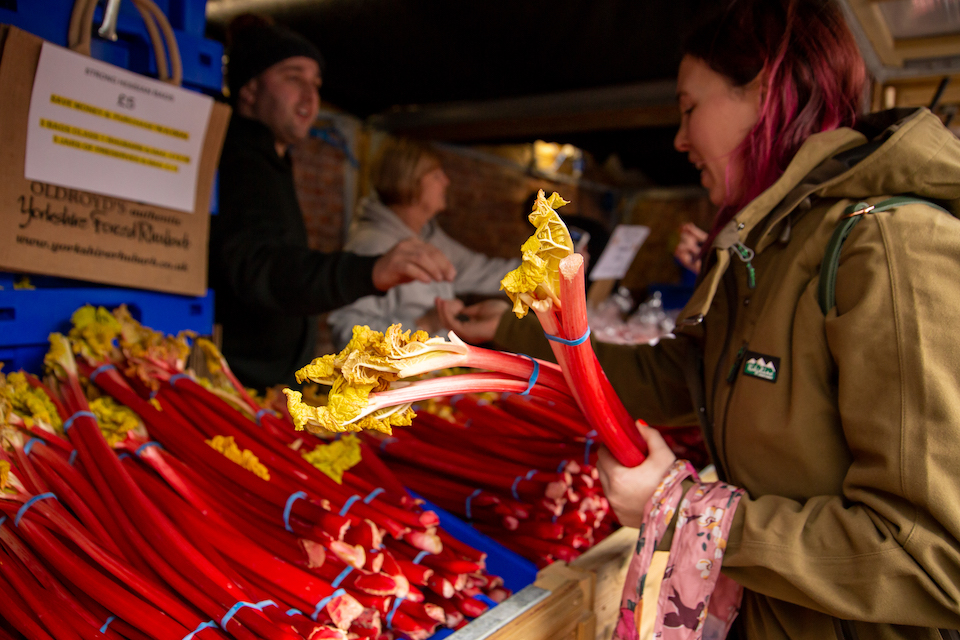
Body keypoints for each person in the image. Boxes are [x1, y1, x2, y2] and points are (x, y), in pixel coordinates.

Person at [440, 0, 960, 637]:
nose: (680, 139)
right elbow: (682, 374)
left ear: (766, 88)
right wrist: (515, 331)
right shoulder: (767, 249)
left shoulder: (888, 246)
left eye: (690, 108)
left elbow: (930, 557)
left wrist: (686, 513)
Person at [209, 17, 455, 391]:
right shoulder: (238, 159)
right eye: (294, 78)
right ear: (249, 88)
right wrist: (368, 272)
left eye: (316, 84)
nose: (310, 96)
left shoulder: (271, 161)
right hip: (236, 383)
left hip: (266, 384)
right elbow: (260, 266)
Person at [326, 138, 518, 349]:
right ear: (409, 181)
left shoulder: (428, 236)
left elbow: (482, 270)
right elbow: (345, 330)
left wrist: (543, 270)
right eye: (436, 175)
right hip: (399, 381)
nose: (446, 181)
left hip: (430, 374)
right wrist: (424, 324)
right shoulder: (371, 244)